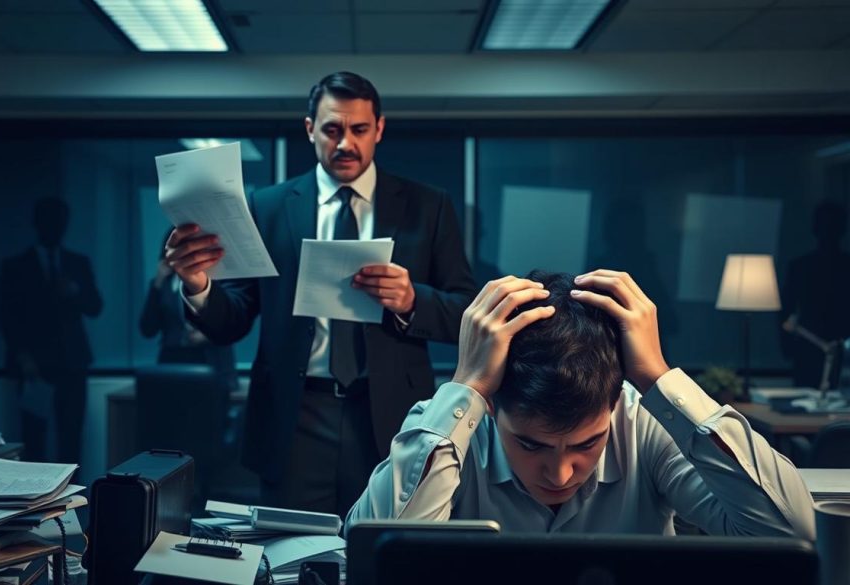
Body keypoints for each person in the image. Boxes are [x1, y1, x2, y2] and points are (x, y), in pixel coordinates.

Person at [165, 71, 476, 515]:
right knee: (293, 553)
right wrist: (196, 284)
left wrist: (412, 300)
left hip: (391, 412)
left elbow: (465, 309)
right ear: (309, 128)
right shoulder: (267, 207)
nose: (345, 143)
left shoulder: (428, 205)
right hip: (295, 415)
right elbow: (231, 319)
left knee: (382, 548)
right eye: (332, 129)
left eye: (359, 130)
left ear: (379, 129)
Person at [346, 270, 814, 539]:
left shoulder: (643, 423)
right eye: (531, 445)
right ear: (490, 406)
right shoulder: (447, 430)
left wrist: (659, 378)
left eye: (587, 444)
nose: (561, 474)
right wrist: (466, 384)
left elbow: (792, 532)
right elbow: (371, 554)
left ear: (615, 405)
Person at [0, 196, 103, 464]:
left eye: (61, 221)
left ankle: (74, 502)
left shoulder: (78, 263)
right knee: (33, 441)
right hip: (34, 365)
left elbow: (95, 306)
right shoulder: (15, 266)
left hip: (73, 362)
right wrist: (23, 357)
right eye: (50, 221)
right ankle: (34, 502)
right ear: (37, 223)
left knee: (72, 440)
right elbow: (6, 317)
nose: (56, 227)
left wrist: (75, 291)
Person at [139, 231, 238, 393]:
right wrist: (158, 282)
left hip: (211, 360)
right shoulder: (162, 284)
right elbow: (147, 329)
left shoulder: (217, 278)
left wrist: (209, 334)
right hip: (173, 363)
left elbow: (235, 322)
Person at [781, 199, 850, 389]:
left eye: (833, 225)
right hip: (807, 346)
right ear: (816, 228)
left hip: (841, 349)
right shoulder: (801, 267)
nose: (828, 231)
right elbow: (786, 308)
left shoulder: (846, 267)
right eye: (824, 225)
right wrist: (788, 345)